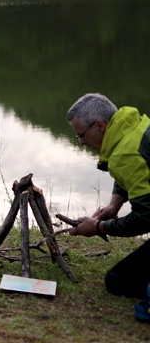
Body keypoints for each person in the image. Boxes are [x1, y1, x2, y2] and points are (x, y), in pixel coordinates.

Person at [66, 93, 150, 321]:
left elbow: (145, 218)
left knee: (117, 280)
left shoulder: (126, 153)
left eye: (81, 135)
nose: (81, 142)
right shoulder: (134, 127)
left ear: (100, 125)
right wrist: (115, 204)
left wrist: (100, 227)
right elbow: (132, 170)